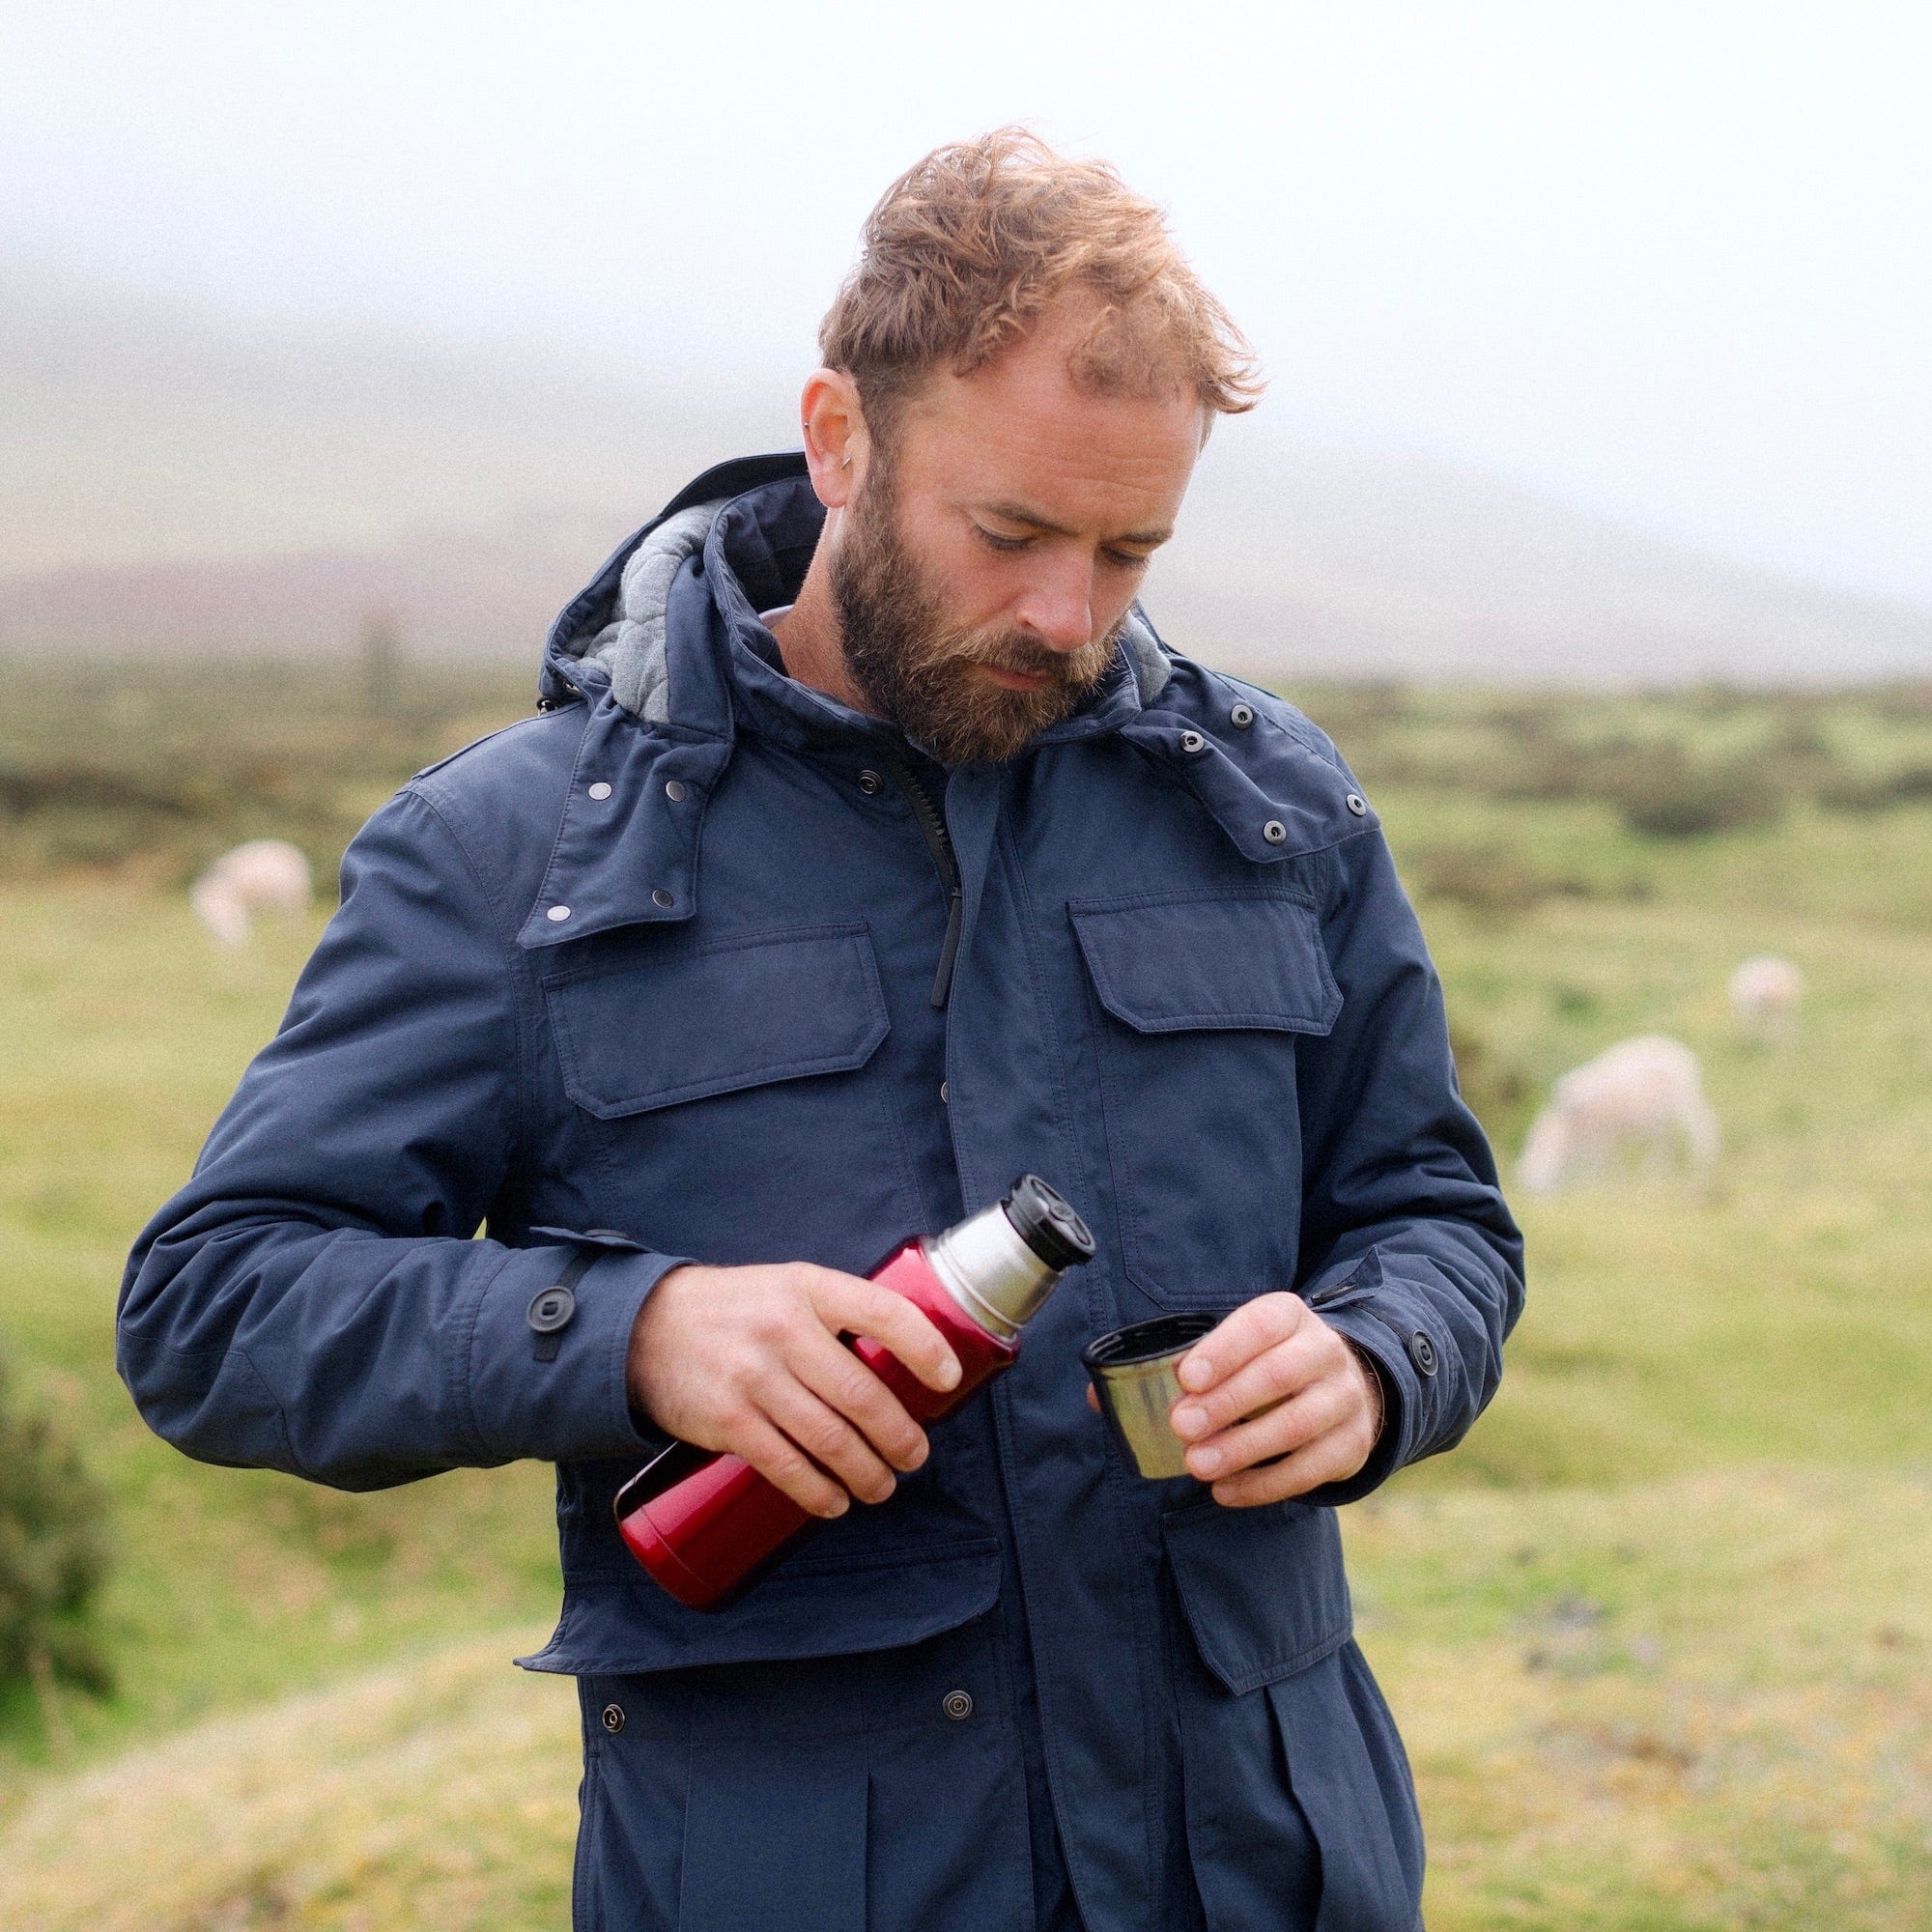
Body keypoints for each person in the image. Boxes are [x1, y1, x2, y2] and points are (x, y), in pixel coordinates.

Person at [120, 128, 1522, 1932]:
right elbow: (213, 1305)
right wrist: (636, 1334)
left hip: (1267, 1866)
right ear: (841, 437)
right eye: (1010, 532)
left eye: (1129, 550)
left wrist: (1380, 1356)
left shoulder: (1273, 810)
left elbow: (1436, 1215)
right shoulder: (513, 854)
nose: (1067, 615)